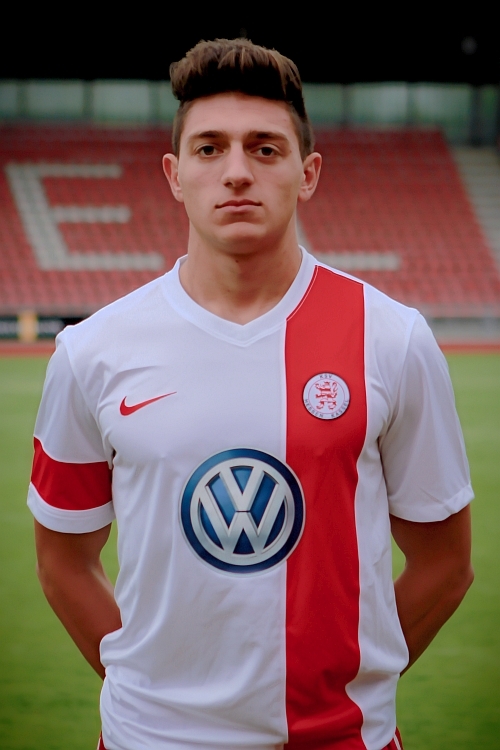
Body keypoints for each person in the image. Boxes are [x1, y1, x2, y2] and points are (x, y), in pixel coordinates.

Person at [29, 38, 474, 750]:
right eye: (209, 149)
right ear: (175, 175)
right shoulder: (92, 351)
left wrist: (346, 694)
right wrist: (149, 699)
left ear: (308, 173)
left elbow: (446, 564)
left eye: (265, 149)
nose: (236, 171)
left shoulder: (392, 339)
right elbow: (62, 561)